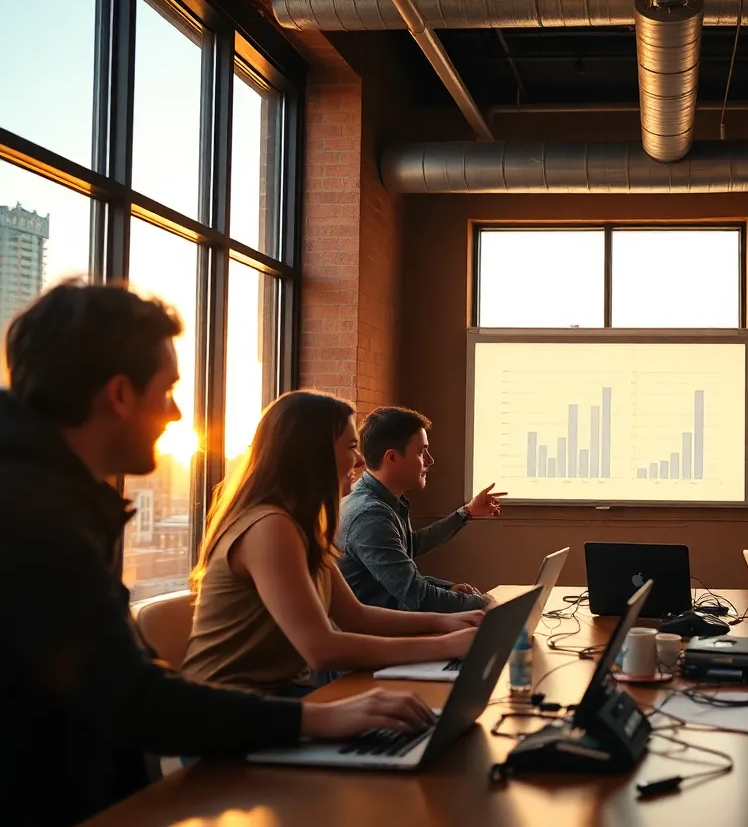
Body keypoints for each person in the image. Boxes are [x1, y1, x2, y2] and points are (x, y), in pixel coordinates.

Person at [0, 283, 435, 826]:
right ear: (118, 394)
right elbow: (135, 700)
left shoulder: (45, 497)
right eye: (166, 392)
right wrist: (317, 719)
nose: (178, 414)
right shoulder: (36, 518)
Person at [183, 392, 483, 695]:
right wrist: (441, 645)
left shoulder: (301, 525)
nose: (361, 460)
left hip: (275, 697)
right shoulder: (270, 527)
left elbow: (355, 616)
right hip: (232, 711)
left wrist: (449, 623)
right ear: (315, 452)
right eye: (351, 446)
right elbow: (321, 649)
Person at [338, 406, 505, 613]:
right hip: (374, 635)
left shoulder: (380, 500)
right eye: (421, 451)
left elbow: (409, 545)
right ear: (392, 457)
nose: (430, 460)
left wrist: (467, 512)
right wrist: (484, 602)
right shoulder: (370, 517)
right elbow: (418, 596)